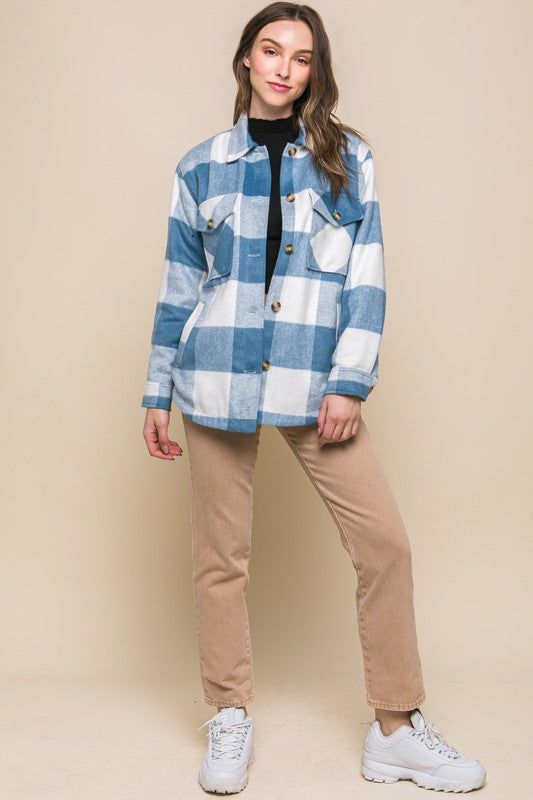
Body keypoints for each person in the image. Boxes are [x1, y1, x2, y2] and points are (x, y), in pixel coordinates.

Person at [140, 2, 486, 794]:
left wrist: (348, 380)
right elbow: (178, 286)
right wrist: (156, 388)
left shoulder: (347, 158)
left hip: (312, 376)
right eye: (270, 51)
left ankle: (394, 728)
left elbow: (366, 274)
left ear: (313, 72)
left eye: (300, 58)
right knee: (219, 558)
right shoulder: (199, 166)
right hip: (215, 372)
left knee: (384, 546)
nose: (283, 69)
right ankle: (230, 713)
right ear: (245, 58)